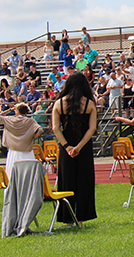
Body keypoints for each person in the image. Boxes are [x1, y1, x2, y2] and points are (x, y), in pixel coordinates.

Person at [51, 71, 97, 224]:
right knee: (84, 181)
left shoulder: (59, 103)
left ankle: (67, 217)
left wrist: (67, 147)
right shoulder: (89, 104)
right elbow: (92, 129)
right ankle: (82, 217)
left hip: (66, 148)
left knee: (66, 181)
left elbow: (55, 128)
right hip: (83, 147)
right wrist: (78, 147)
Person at [0, 103, 43, 179]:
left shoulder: (10, 119)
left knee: (12, 176)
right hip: (26, 151)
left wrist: (10, 109)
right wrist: (32, 138)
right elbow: (40, 130)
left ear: (17, 112)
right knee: (28, 177)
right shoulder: (30, 121)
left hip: (13, 151)